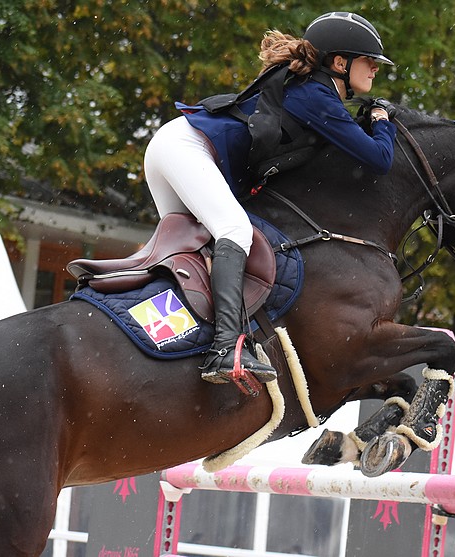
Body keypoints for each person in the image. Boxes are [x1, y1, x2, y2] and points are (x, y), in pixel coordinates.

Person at [143, 12, 398, 385]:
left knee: (193, 250)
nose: (375, 69)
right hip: (187, 148)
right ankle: (224, 348)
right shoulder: (318, 96)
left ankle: (176, 339)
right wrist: (381, 118)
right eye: (369, 60)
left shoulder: (314, 93)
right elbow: (380, 159)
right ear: (340, 63)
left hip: (175, 145)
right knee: (235, 231)